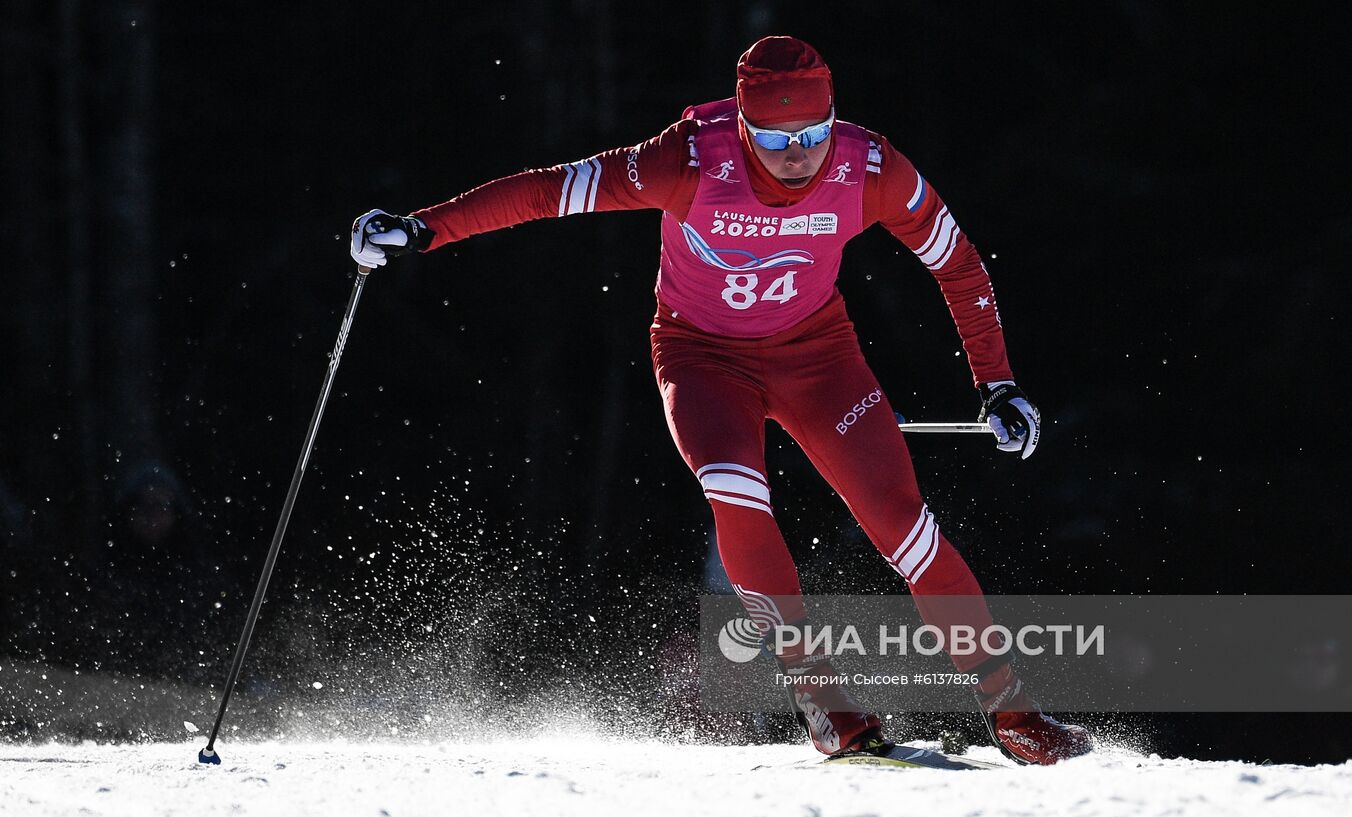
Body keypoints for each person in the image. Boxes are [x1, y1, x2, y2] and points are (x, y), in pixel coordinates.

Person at [350, 35, 1090, 765]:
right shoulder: (688, 160)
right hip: (702, 358)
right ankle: (826, 701)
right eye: (774, 137)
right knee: (736, 490)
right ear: (742, 125)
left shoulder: (870, 167)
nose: (798, 154)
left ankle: (1014, 712)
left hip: (817, 355)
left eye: (813, 134)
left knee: (905, 525)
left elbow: (957, 263)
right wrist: (422, 230)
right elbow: (550, 190)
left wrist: (997, 383)